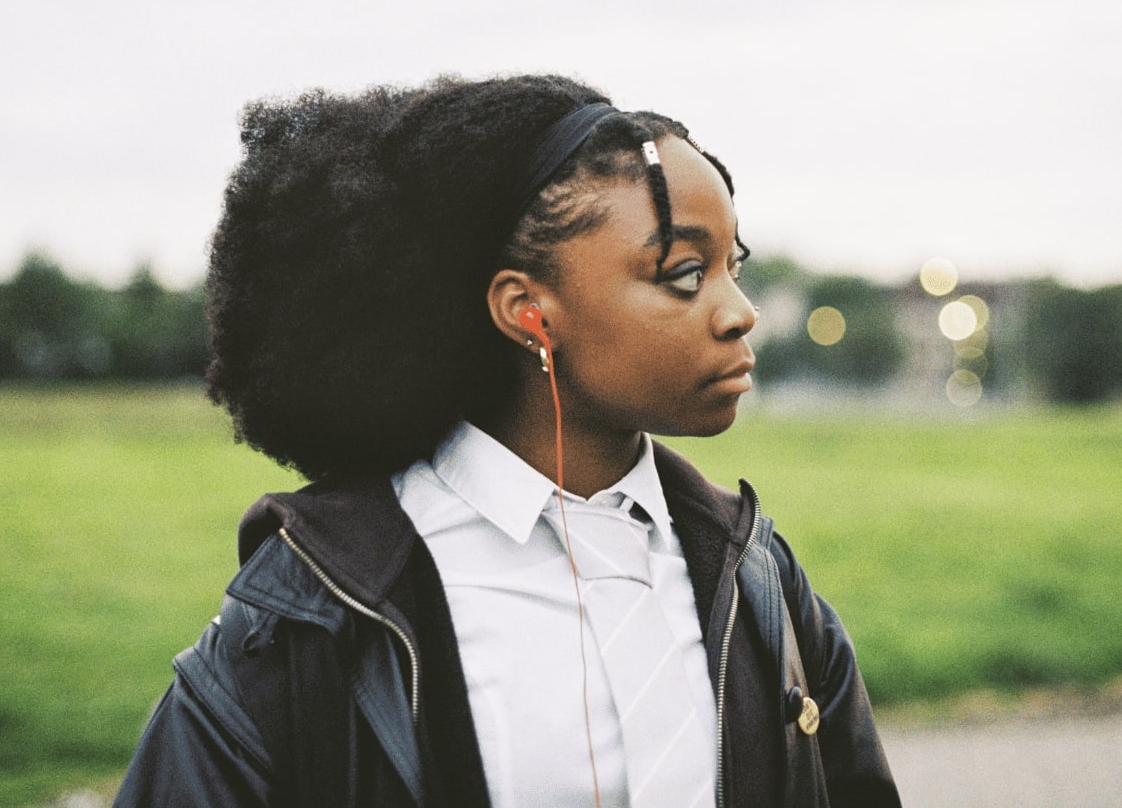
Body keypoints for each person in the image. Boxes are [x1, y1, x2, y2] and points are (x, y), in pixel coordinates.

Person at [114, 74, 900, 807]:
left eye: (735, 266)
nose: (739, 312)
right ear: (527, 309)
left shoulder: (758, 578)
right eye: (686, 274)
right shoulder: (315, 613)